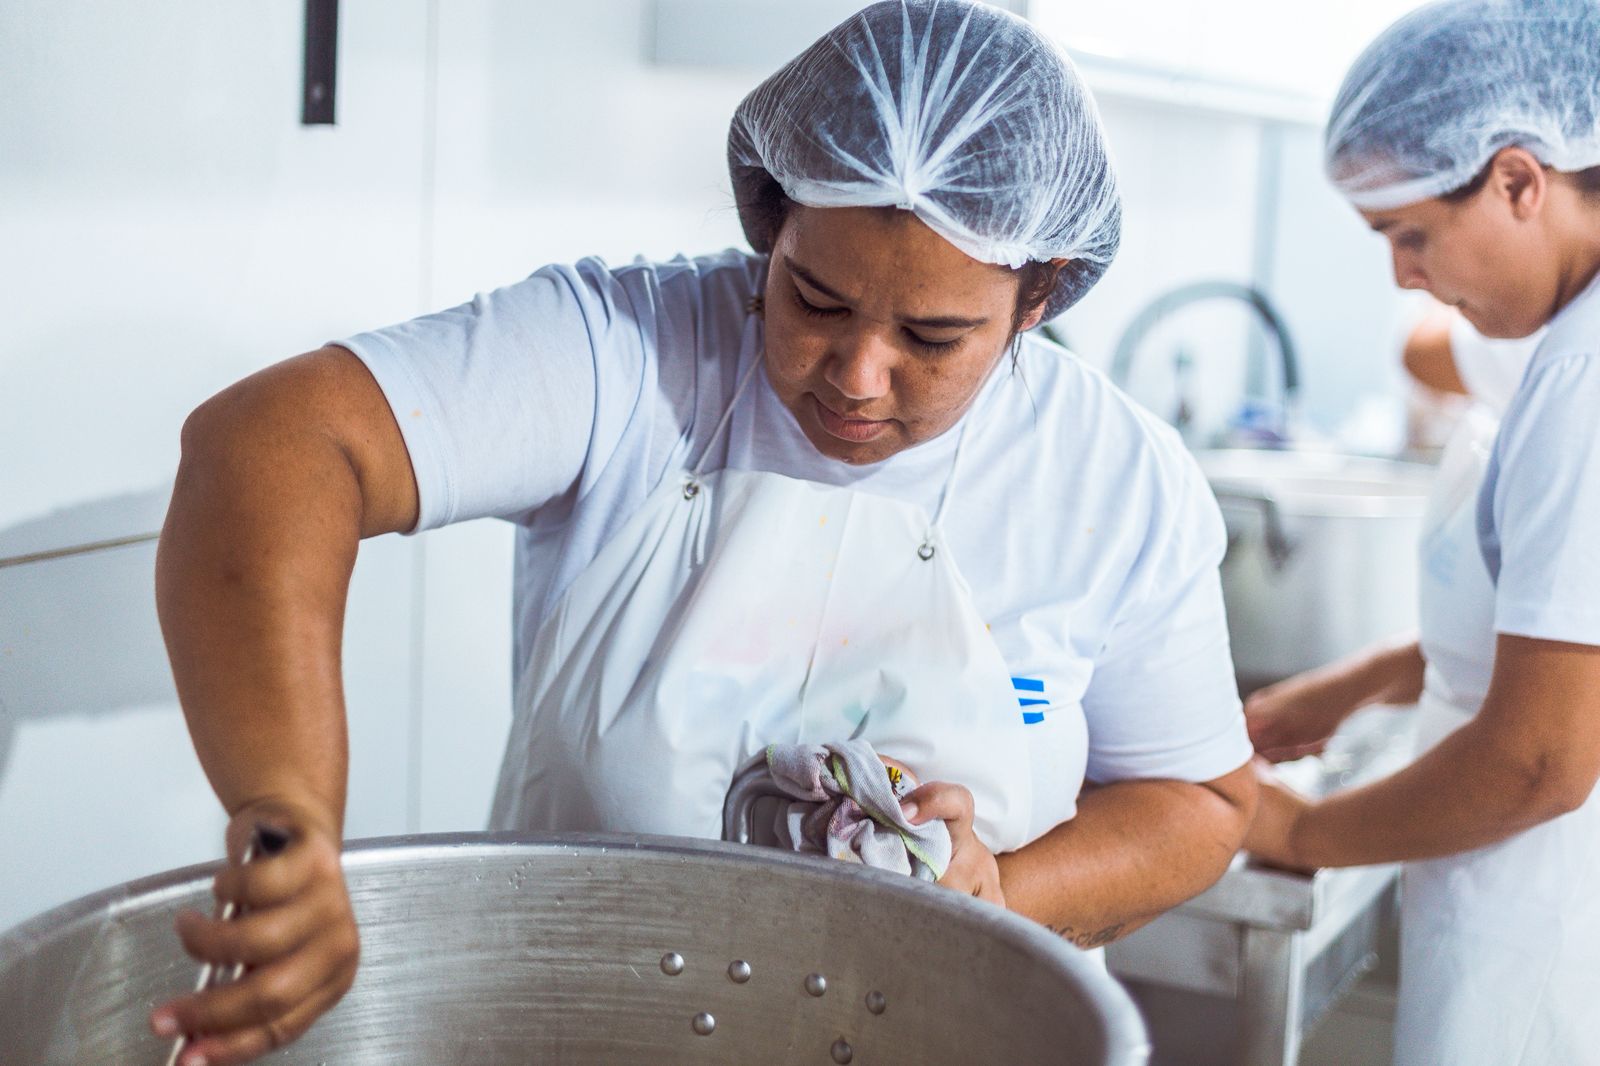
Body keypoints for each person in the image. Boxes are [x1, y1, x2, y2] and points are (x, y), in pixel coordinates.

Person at [149, 3, 1257, 1063]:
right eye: (813, 300)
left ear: (1041, 296)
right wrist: (287, 810)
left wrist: (1000, 896)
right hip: (589, 1025)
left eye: (932, 336)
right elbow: (270, 448)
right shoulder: (628, 354)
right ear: (769, 220)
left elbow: (1197, 803)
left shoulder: (1114, 477)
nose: (858, 378)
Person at [1242, 2, 1600, 1062]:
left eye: (1412, 235)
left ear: (1518, 182)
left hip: (1546, 926)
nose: (1402, 274)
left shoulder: (1583, 384)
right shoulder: (1555, 340)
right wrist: (1361, 679)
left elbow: (1541, 758)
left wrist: (1293, 831)